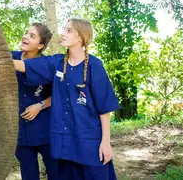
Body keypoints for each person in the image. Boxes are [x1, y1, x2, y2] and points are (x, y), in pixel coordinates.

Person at [13, 18, 120, 180]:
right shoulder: (56, 62)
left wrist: (106, 142)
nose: (62, 33)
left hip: (89, 143)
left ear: (80, 38)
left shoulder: (95, 66)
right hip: (64, 145)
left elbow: (104, 109)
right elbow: (25, 66)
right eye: (64, 29)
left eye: (68, 30)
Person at [11, 22, 58, 180]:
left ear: (41, 45)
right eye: (26, 33)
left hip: (45, 127)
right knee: (29, 174)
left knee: (55, 172)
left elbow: (58, 95)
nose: (25, 37)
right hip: (20, 130)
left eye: (32, 36)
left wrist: (40, 105)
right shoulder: (11, 57)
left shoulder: (48, 65)